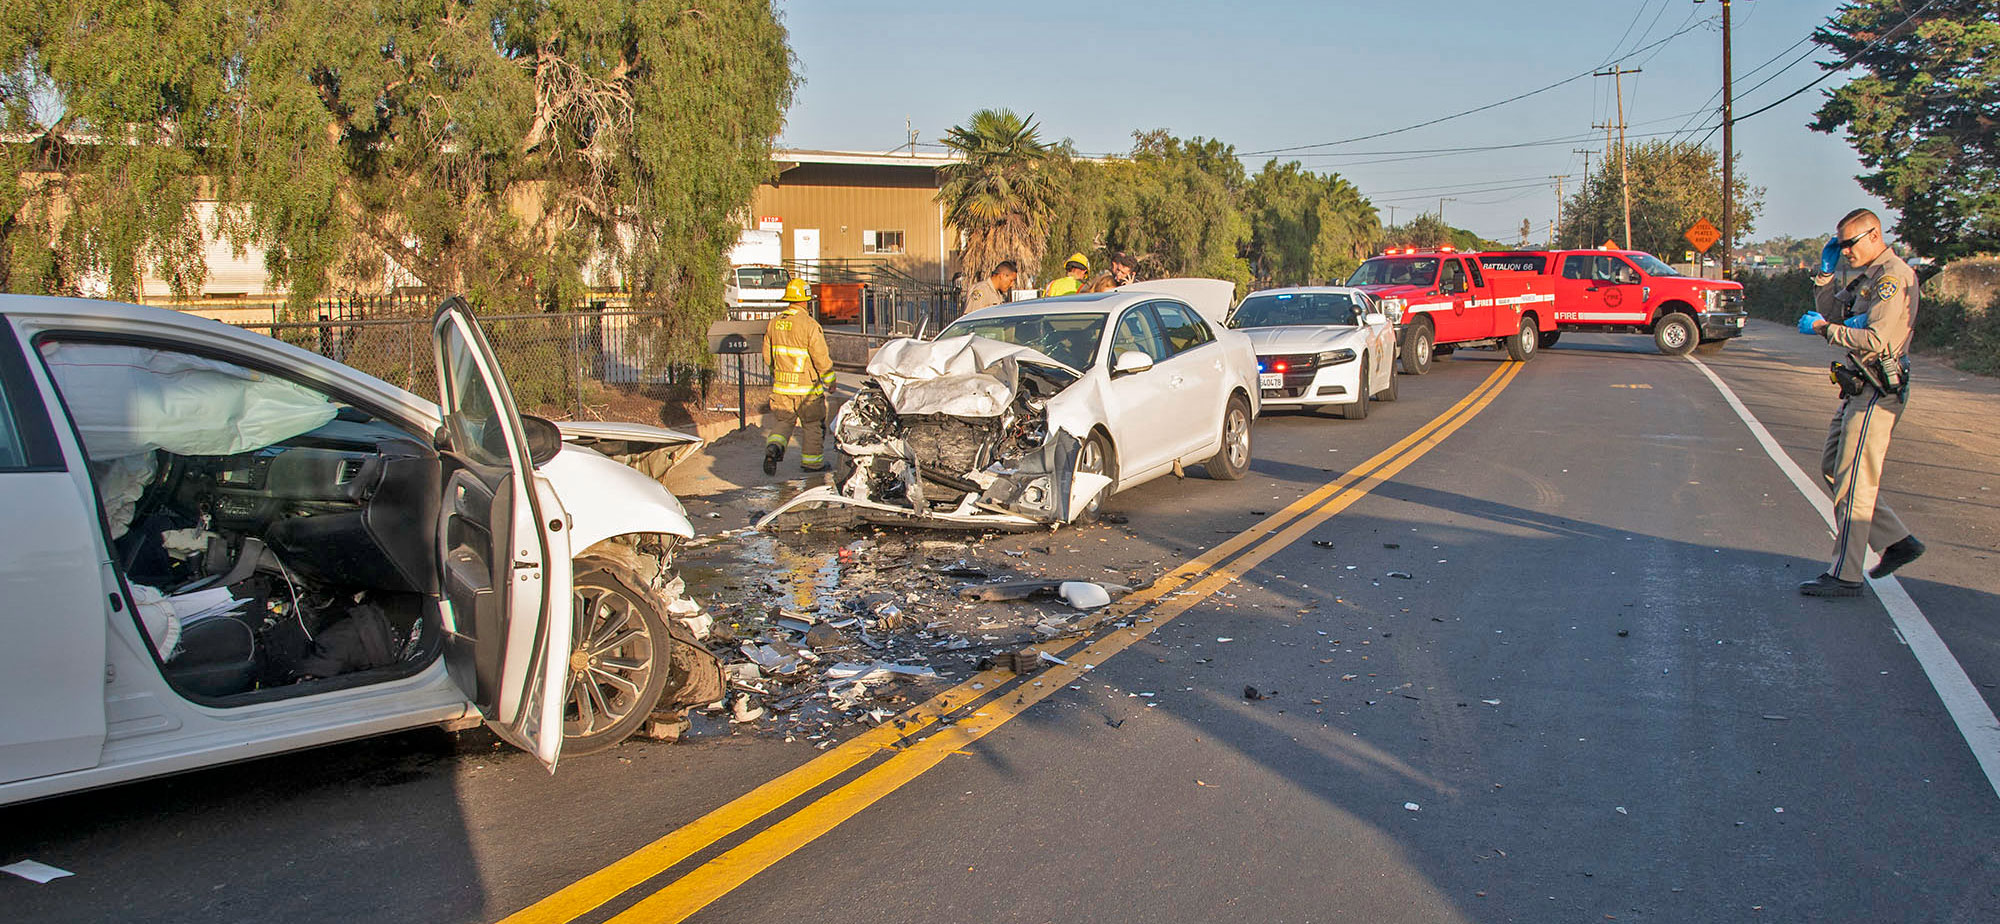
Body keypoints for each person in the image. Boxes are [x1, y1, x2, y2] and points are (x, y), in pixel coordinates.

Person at [1794, 208, 1925, 596]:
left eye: (1849, 243)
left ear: (1873, 235)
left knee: (1853, 481)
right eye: (1840, 245)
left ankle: (1846, 575)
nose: (1846, 251)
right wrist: (1825, 274)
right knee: (1833, 467)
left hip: (1878, 389)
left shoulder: (1891, 277)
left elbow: (1879, 340)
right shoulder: (1867, 278)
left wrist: (1824, 330)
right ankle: (1898, 541)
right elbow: (1832, 310)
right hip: (1860, 386)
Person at [761, 278, 836, 475]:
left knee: (784, 422)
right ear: (805, 301)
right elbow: (820, 357)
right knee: (812, 425)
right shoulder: (809, 325)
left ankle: (774, 447)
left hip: (781, 388)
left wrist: (777, 373)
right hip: (806, 390)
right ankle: (812, 464)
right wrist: (830, 381)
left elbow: (768, 357)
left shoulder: (774, 324)